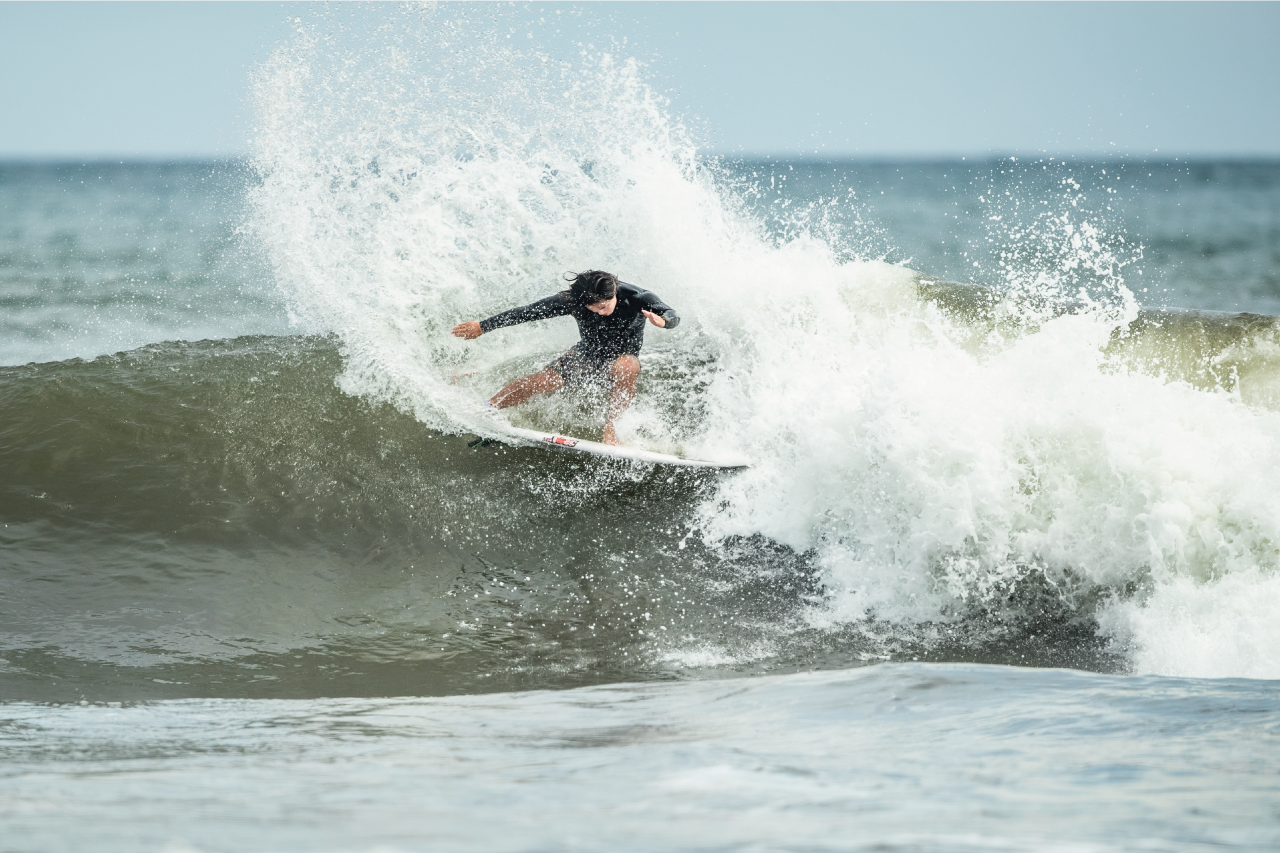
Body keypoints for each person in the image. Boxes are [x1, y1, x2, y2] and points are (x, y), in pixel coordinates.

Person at [451, 270, 680, 445]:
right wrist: (483, 326)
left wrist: (665, 321)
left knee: (627, 365)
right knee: (541, 381)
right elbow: (528, 312)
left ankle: (611, 430)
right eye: (593, 308)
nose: (599, 312)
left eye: (603, 306)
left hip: (622, 357)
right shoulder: (574, 300)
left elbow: (671, 314)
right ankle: (488, 407)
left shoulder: (638, 298)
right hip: (586, 355)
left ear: (614, 293)